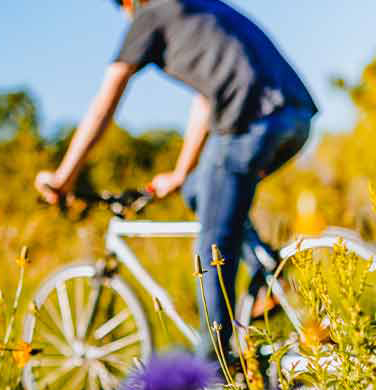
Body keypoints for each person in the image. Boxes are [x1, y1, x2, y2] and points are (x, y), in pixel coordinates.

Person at [35, 0, 317, 358]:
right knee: (200, 190)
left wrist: (63, 177)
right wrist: (181, 173)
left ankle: (215, 368)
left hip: (249, 122)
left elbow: (105, 103)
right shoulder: (197, 8)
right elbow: (206, 99)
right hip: (294, 119)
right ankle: (269, 277)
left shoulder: (149, 14)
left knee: (212, 246)